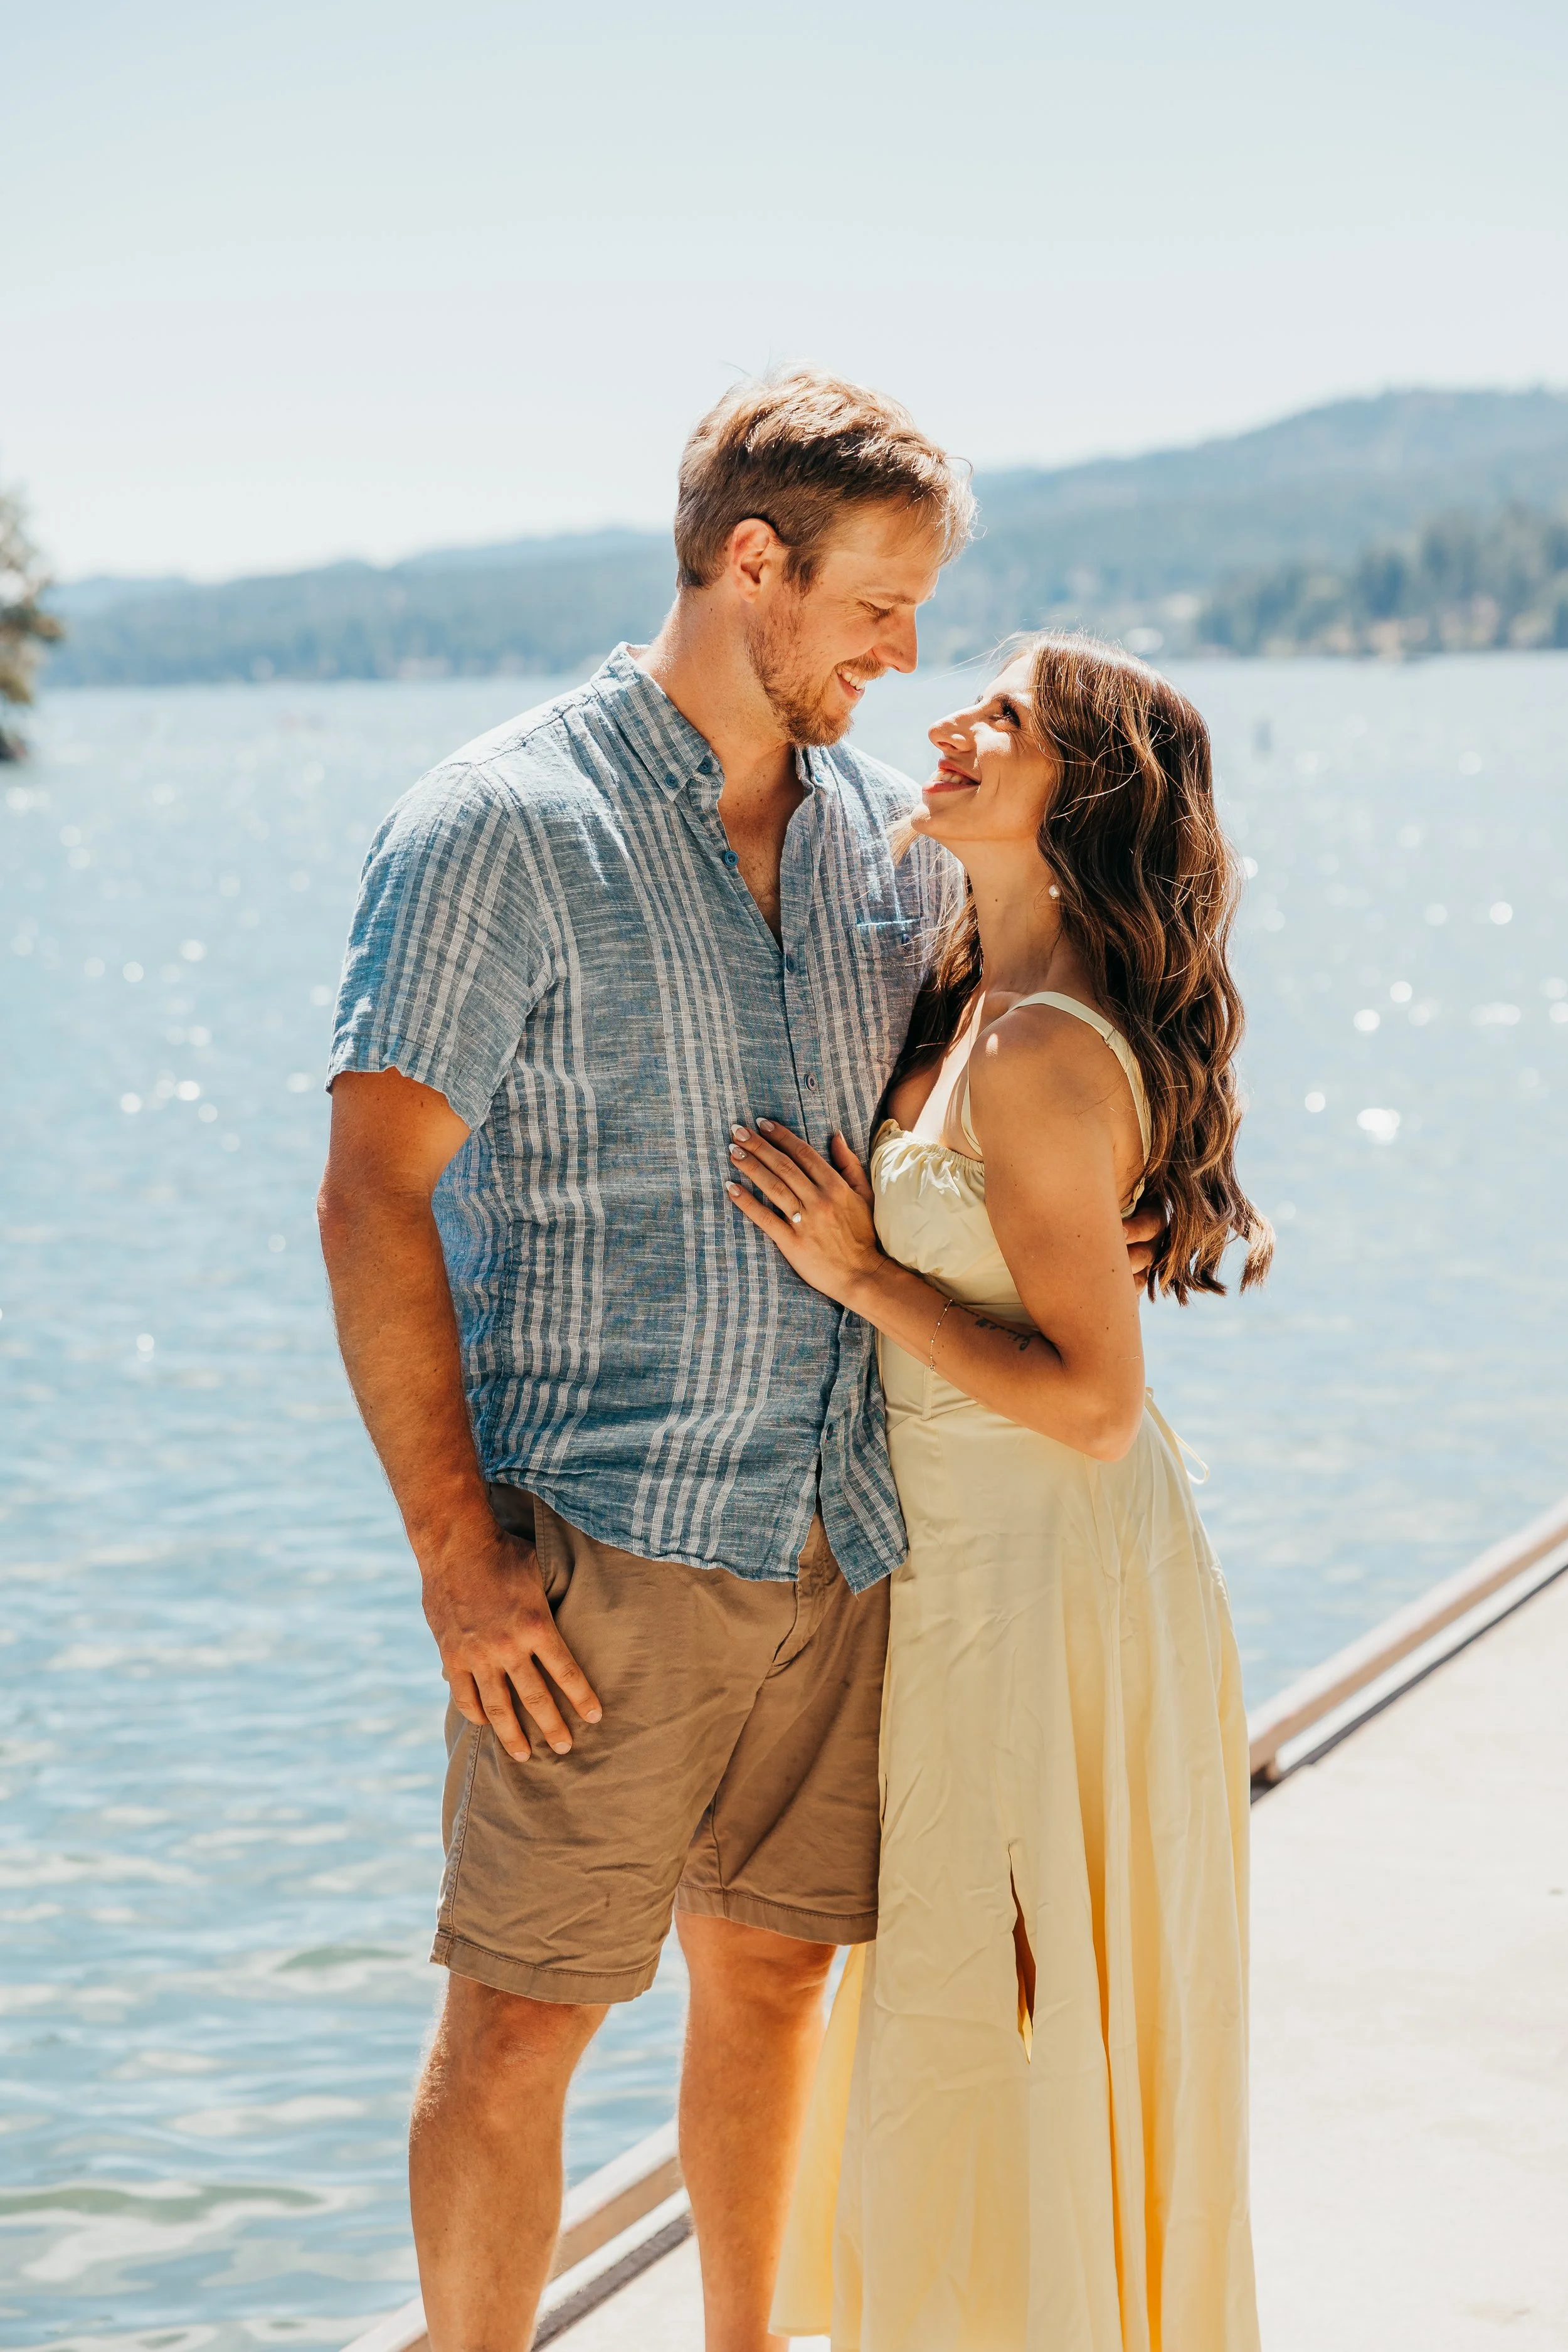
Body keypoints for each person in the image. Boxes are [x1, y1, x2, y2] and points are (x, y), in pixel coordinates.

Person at [318, 369, 1168, 2352]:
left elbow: (1036, 1042)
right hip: (599, 1542)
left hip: (842, 1533)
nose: (906, 650)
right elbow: (371, 1198)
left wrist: (1143, 1182)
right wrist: (456, 1554)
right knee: (524, 2010)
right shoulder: (496, 827)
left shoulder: (887, 835)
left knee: (777, 1979)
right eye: (880, 604)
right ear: (753, 563)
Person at [730, 635, 1271, 2350]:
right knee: (981, 1986)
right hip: (970, 1568)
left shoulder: (1037, 1046)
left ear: (1082, 793)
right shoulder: (970, 996)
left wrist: (858, 1271)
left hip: (1052, 1569)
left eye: (1003, 722)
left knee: (1026, 1987)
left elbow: (1099, 1405)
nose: (945, 729)